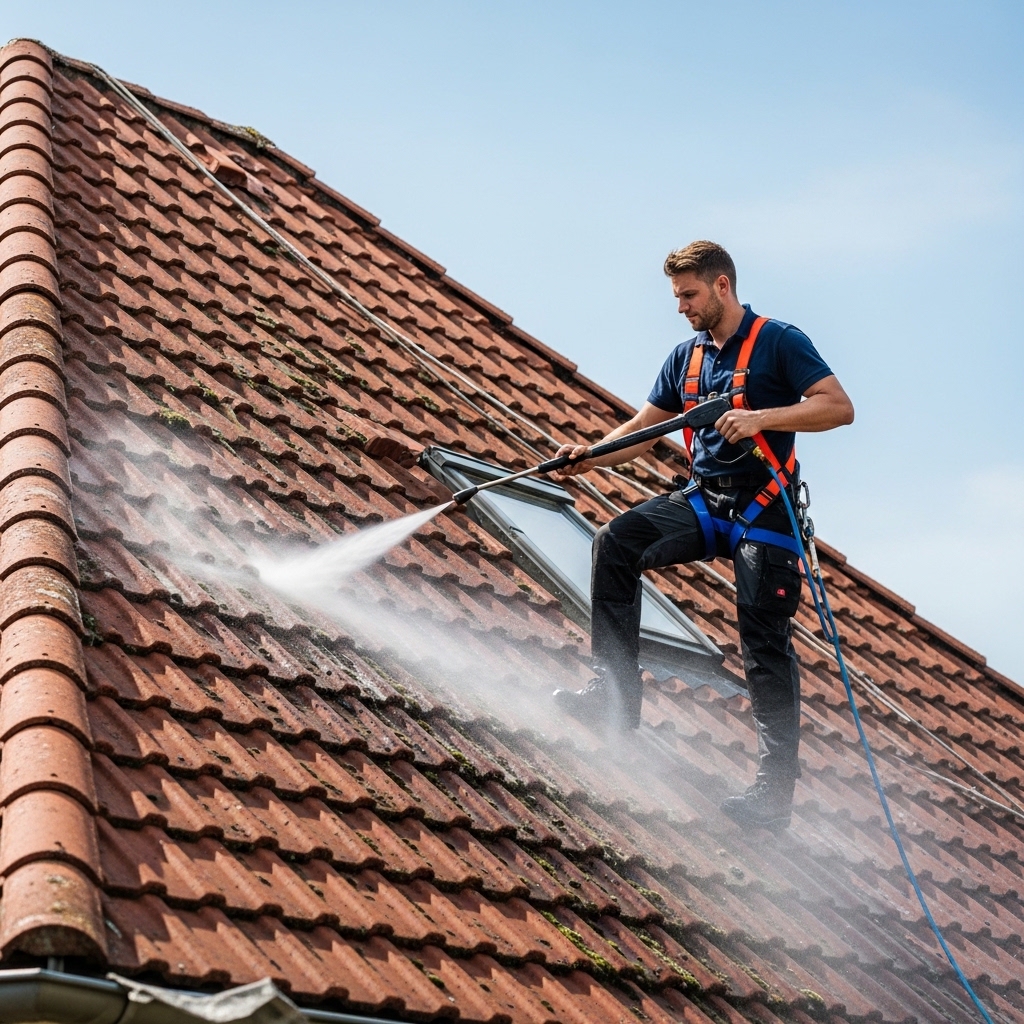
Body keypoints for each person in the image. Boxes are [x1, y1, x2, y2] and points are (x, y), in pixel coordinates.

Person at [552, 240, 854, 830]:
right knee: (614, 543)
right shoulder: (683, 358)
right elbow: (645, 429)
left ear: (722, 286)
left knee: (762, 642)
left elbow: (837, 407)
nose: (681, 307)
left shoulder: (780, 342)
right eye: (676, 297)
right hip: (703, 503)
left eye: (688, 295)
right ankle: (614, 697)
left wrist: (762, 418)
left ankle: (772, 796)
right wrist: (591, 456)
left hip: (765, 516)